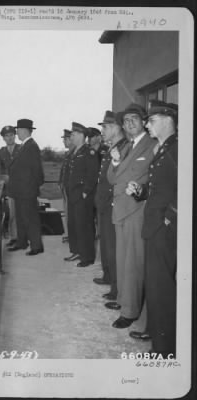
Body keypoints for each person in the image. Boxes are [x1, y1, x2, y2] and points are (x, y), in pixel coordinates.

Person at [126, 100, 178, 356]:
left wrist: (170, 217)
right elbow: (160, 188)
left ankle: (164, 350)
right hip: (154, 226)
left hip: (163, 229)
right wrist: (141, 191)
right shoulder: (164, 147)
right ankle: (157, 337)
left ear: (168, 121)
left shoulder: (177, 148)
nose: (147, 124)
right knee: (156, 287)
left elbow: (182, 190)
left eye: (152, 120)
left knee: (162, 290)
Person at [106, 103, 157, 329]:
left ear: (144, 121)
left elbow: (152, 179)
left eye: (134, 119)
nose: (129, 124)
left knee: (133, 263)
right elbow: (111, 178)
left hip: (137, 209)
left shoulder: (152, 144)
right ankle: (123, 300)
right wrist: (115, 160)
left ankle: (131, 310)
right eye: (125, 121)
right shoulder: (127, 145)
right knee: (123, 260)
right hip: (121, 209)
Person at [94, 111, 128, 300]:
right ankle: (108, 276)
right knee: (107, 245)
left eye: (105, 127)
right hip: (105, 204)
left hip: (113, 204)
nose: (102, 130)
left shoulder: (124, 148)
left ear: (116, 127)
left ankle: (116, 287)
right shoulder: (111, 148)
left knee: (114, 247)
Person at [64, 122, 99, 267]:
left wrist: (85, 192)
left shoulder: (89, 152)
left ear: (81, 136)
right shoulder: (74, 152)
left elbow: (92, 174)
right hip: (72, 195)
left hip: (82, 196)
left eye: (73, 134)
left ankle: (87, 256)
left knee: (84, 225)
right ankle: (77, 251)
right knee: (73, 224)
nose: (71, 136)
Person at [8, 119, 44, 256]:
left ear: (24, 130)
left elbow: (37, 170)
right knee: (21, 218)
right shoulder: (25, 146)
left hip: (27, 190)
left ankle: (36, 246)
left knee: (30, 218)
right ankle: (21, 242)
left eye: (18, 130)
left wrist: (33, 187)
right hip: (21, 190)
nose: (16, 132)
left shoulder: (31, 146)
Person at [0, 125, 21, 247]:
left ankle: (24, 237)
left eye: (11, 135)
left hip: (23, 186)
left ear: (15, 136)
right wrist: (2, 181)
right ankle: (14, 237)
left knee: (24, 212)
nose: (9, 138)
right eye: (7, 136)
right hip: (11, 188)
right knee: (12, 213)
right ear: (3, 138)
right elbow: (2, 170)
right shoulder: (1, 153)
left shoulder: (22, 149)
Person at [58, 129, 75, 243]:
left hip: (71, 188)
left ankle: (72, 235)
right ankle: (69, 234)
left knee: (71, 213)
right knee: (67, 211)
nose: (63, 141)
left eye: (65, 139)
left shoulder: (74, 153)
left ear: (70, 139)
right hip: (65, 187)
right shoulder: (68, 153)